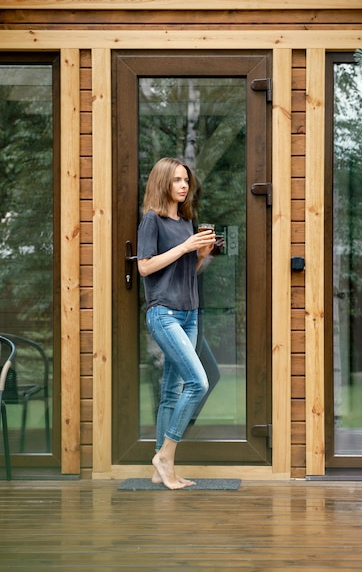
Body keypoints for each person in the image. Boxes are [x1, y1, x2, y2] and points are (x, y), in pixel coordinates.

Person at [137, 157, 215, 489]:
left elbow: (185, 274)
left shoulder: (186, 223)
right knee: (198, 382)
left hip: (189, 312)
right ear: (163, 183)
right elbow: (144, 267)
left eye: (186, 180)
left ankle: (161, 470)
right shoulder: (151, 221)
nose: (184, 186)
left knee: (171, 392)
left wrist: (200, 255)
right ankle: (165, 454)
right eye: (177, 180)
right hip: (164, 313)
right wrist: (185, 246)